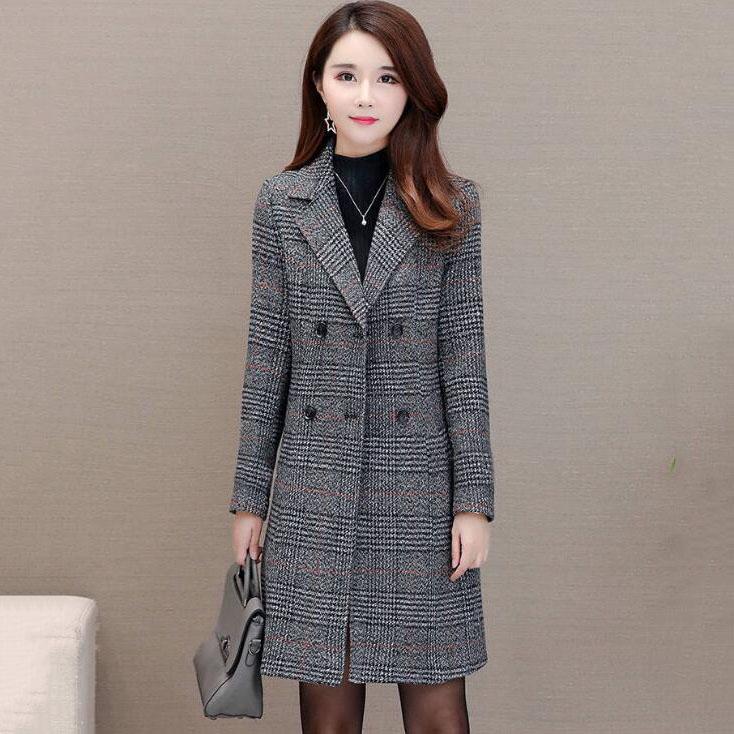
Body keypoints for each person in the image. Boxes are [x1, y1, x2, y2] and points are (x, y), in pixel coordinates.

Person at [230, 2, 495, 732]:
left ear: (413, 90)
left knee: (439, 716)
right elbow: (267, 358)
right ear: (319, 85)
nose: (366, 96)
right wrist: (250, 500)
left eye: (387, 77)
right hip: (315, 489)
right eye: (347, 75)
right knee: (330, 719)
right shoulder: (283, 203)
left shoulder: (452, 204)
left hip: (418, 491)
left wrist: (473, 502)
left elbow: (464, 364)